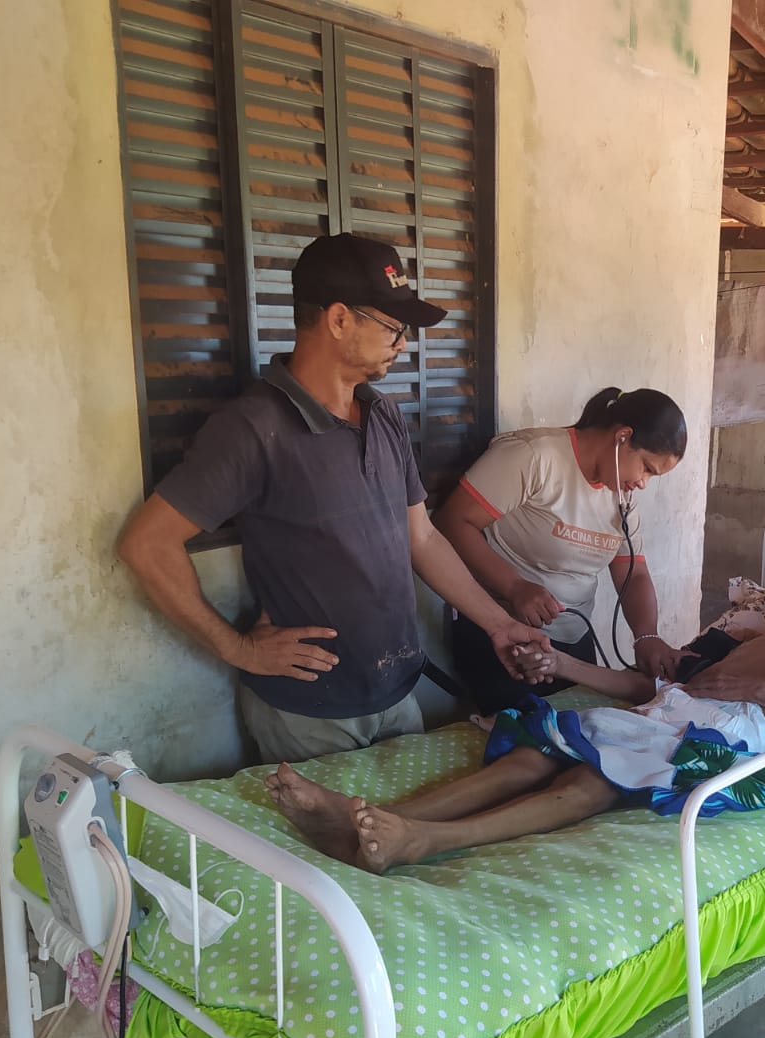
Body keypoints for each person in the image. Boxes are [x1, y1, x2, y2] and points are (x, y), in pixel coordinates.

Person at [117, 233, 552, 765]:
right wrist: (236, 648)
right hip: (309, 715)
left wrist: (500, 624)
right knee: (328, 848)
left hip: (397, 693)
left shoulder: (383, 415)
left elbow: (422, 538)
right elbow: (146, 544)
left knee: (413, 841)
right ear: (340, 319)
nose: (403, 345)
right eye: (393, 328)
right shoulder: (252, 429)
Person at [263, 561, 765, 873]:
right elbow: (646, 684)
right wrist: (562, 667)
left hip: (728, 740)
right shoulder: (759, 636)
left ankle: (424, 840)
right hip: (670, 711)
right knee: (533, 754)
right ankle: (368, 816)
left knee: (591, 782)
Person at [434, 387, 688, 712]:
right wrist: (513, 586)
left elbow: (633, 572)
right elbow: (452, 522)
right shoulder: (534, 456)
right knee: (524, 740)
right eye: (647, 468)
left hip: (574, 641)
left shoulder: (619, 495)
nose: (643, 483)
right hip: (504, 635)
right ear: (622, 437)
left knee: (576, 733)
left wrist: (647, 636)